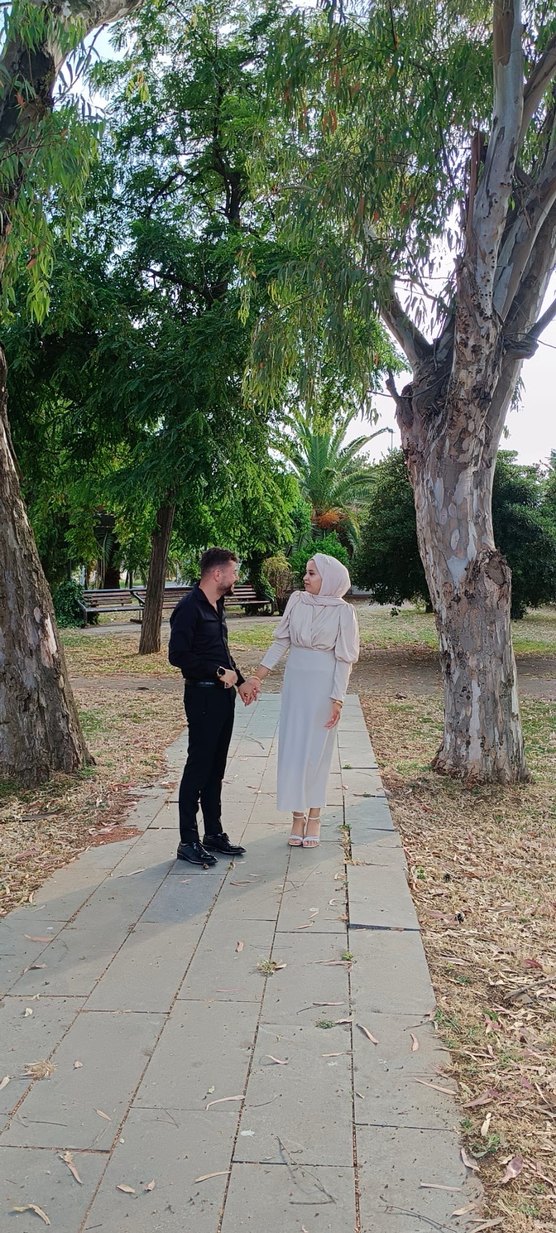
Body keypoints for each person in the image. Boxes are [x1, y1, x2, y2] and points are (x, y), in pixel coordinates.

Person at [244, 553, 359, 848]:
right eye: (306, 572)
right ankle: (297, 816)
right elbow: (281, 641)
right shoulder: (297, 601)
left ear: (329, 579)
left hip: (324, 686)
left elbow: (344, 659)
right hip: (295, 683)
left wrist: (338, 698)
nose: (305, 578)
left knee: (317, 750)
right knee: (294, 747)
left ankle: (315, 815)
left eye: (312, 573)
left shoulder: (344, 612)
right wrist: (257, 676)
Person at [168, 548, 259, 867]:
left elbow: (222, 651)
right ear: (217, 574)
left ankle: (213, 834)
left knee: (215, 768)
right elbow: (178, 655)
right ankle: (188, 841)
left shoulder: (217, 604)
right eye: (233, 572)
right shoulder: (188, 607)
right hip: (202, 696)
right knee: (199, 766)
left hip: (223, 697)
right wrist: (219, 672)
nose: (236, 577)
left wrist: (241, 681)